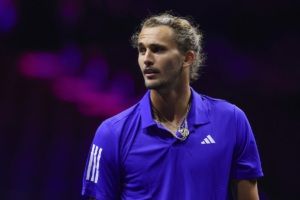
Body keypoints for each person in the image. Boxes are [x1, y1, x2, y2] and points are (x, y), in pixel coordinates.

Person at [81, 12, 263, 200]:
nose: (147, 59)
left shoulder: (232, 120)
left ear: (187, 58)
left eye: (157, 49)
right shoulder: (111, 133)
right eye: (142, 50)